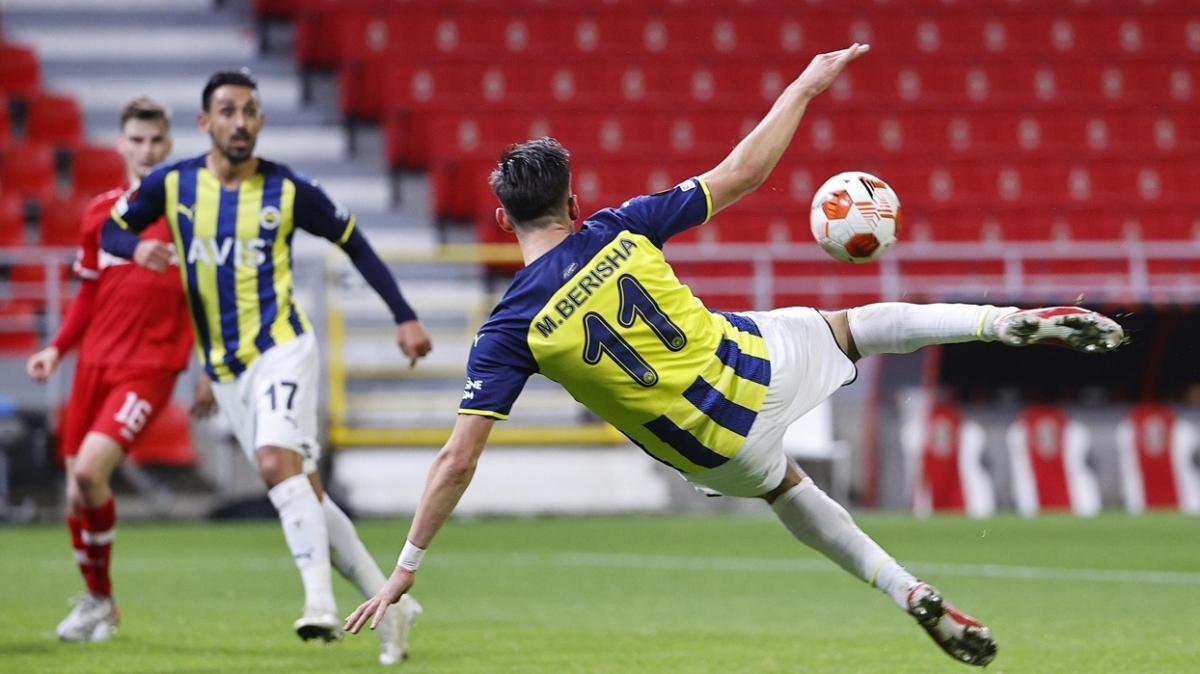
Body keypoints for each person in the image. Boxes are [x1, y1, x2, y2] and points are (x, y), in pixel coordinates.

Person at [344, 44, 1128, 667]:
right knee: (862, 324)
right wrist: (805, 87)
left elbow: (458, 459)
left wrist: (409, 562)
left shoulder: (508, 328)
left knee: (788, 491)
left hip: (712, 452)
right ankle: (1005, 324)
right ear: (573, 202)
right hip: (756, 363)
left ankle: (907, 589)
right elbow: (744, 171)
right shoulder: (619, 226)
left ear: (499, 216)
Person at [100, 70, 429, 665]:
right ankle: (394, 608)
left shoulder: (288, 189)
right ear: (205, 124)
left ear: (260, 122)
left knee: (279, 465)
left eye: (250, 111)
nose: (240, 122)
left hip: (282, 347)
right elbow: (110, 228)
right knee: (302, 491)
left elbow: (353, 240)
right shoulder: (172, 186)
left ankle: (320, 605)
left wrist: (403, 316)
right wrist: (136, 248)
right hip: (226, 371)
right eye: (227, 111)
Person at [25, 96, 205, 642]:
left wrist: (207, 369)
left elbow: (205, 296)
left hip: (149, 367)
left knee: (88, 473)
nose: (146, 150)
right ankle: (99, 602)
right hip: (93, 364)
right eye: (137, 140)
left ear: (169, 145)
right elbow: (88, 291)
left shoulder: (187, 215)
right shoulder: (100, 211)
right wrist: (57, 348)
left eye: (156, 141)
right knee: (77, 496)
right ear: (121, 144)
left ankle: (98, 601)